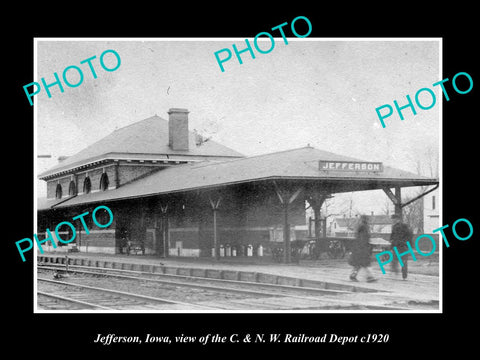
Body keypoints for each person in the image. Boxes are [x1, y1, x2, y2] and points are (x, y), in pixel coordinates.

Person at [349, 215, 377, 282]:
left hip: (359, 248)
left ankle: (353, 275)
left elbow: (359, 238)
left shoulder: (360, 227)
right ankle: (370, 277)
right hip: (363, 248)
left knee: (359, 264)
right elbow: (364, 239)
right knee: (365, 263)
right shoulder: (364, 227)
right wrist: (366, 247)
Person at [390, 214, 413, 280]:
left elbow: (409, 235)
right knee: (398, 260)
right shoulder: (395, 226)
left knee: (402, 261)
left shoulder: (403, 226)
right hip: (398, 246)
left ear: (397, 219)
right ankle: (401, 274)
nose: (392, 221)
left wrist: (406, 243)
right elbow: (392, 237)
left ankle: (403, 275)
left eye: (393, 219)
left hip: (401, 246)